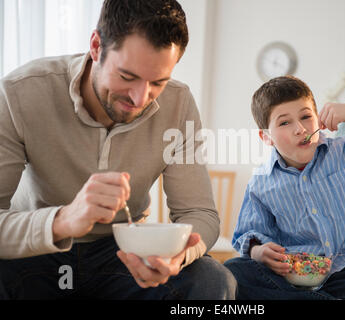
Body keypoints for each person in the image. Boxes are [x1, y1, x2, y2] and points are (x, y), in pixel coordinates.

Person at [0, 0, 236, 299]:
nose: (140, 98)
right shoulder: (19, 92)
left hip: (126, 255)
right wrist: (63, 220)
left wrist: (174, 256)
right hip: (37, 250)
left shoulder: (179, 103)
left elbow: (198, 212)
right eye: (127, 77)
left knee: (211, 279)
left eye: (158, 82)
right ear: (96, 46)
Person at [224, 75, 345, 300]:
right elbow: (248, 234)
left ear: (318, 119)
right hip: (291, 279)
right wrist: (258, 251)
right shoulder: (260, 182)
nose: (300, 128)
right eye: (284, 122)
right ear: (266, 137)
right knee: (233, 270)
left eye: (306, 117)